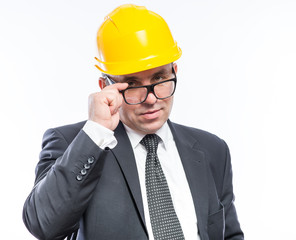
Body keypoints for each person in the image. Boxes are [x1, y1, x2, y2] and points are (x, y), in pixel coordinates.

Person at [23, 4, 244, 240]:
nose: (150, 98)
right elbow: (43, 225)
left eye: (159, 78)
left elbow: (228, 235)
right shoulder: (74, 144)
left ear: (174, 72)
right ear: (106, 87)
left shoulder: (212, 149)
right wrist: (95, 132)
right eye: (133, 84)